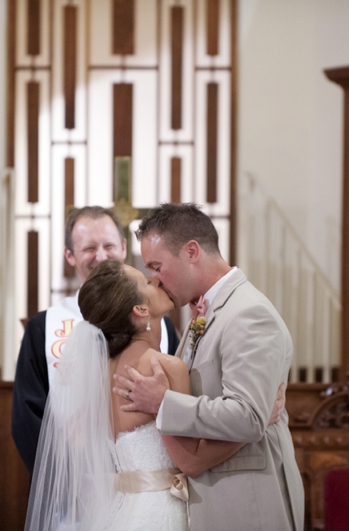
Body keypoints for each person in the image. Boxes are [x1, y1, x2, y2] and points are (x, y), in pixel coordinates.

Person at [113, 203, 305, 531]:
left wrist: (163, 404)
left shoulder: (248, 313)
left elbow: (248, 417)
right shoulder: (201, 313)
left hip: (247, 504)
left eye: (157, 267)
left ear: (191, 251)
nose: (156, 281)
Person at [25, 260, 245, 531]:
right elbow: (192, 460)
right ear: (141, 310)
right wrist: (251, 428)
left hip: (122, 511)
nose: (157, 279)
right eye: (148, 282)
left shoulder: (102, 374)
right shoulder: (163, 368)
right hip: (162, 513)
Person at [11, 206, 180, 473]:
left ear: (124, 248)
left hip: (144, 475)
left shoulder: (162, 326)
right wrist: (66, 480)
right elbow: (27, 417)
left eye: (109, 245)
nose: (101, 256)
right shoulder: (43, 328)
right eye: (89, 248)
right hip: (73, 488)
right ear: (70, 254)